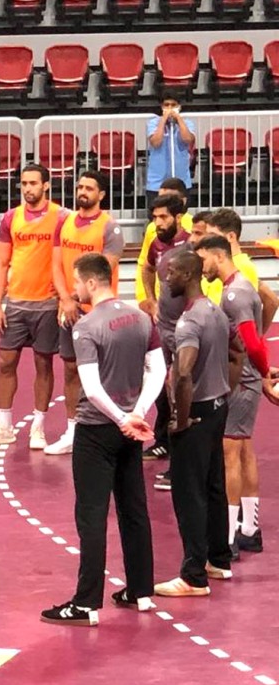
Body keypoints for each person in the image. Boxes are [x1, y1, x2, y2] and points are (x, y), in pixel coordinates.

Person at [41, 254, 161, 626]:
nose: (74, 289)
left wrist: (123, 418)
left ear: (91, 283)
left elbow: (92, 389)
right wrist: (137, 413)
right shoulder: (141, 318)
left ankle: (86, 603)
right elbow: (158, 370)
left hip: (97, 430)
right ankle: (141, 590)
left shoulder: (87, 326)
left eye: (77, 282)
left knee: (91, 515)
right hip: (131, 430)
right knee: (134, 509)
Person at [153, 250, 235, 597]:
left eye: (172, 272)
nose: (166, 278)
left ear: (188, 275)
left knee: (189, 494)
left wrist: (181, 418)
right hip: (218, 407)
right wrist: (224, 389)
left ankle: (193, 576)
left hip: (197, 413)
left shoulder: (189, 322)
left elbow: (184, 372)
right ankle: (219, 560)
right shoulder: (214, 311)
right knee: (214, 486)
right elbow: (236, 351)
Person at [196, 234, 278, 558]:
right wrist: (263, 373)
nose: (201, 267)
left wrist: (263, 375)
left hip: (241, 382)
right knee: (243, 450)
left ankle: (227, 536)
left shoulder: (234, 294)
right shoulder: (242, 286)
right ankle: (249, 530)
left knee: (229, 454)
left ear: (219, 256)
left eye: (203, 259)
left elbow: (252, 342)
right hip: (246, 380)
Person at [0, 164, 64, 450]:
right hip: (16, 303)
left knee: (43, 364)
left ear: (46, 185)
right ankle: (5, 427)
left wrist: (64, 298)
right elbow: (1, 263)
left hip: (47, 303)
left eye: (33, 183)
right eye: (24, 183)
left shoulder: (61, 217)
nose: (28, 188)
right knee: (5, 363)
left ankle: (38, 428)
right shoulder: (11, 217)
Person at [51, 171, 125, 456]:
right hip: (70, 309)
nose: (82, 191)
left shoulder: (110, 228)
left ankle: (109, 426)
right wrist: (65, 299)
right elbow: (56, 265)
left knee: (104, 373)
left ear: (101, 194)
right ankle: (72, 430)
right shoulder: (64, 221)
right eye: (80, 187)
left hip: (99, 313)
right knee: (71, 370)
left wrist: (73, 298)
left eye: (89, 188)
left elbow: (103, 272)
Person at [138, 196, 192, 466]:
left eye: (163, 217)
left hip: (185, 329)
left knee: (182, 386)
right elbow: (147, 269)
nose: (157, 223)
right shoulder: (156, 244)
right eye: (155, 217)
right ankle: (163, 441)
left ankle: (184, 448)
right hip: (163, 325)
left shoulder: (191, 245)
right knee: (159, 383)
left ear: (178, 217)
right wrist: (151, 299)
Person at [135, 177, 191, 305]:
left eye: (163, 217)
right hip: (162, 304)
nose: (158, 222)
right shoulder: (152, 232)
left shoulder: (195, 232)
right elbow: (145, 265)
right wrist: (147, 298)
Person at [145, 98, 195, 203]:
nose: (170, 108)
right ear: (162, 107)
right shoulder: (153, 123)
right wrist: (163, 120)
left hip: (181, 181)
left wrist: (178, 119)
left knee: (181, 212)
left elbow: (188, 139)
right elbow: (156, 142)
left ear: (179, 107)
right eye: (166, 105)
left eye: (173, 105)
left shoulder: (187, 123)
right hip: (156, 183)